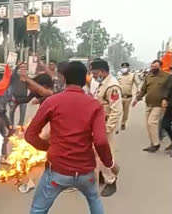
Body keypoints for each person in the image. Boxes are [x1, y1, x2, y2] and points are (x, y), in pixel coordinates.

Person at [25, 61, 119, 214]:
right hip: (85, 172)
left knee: (38, 209)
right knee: (94, 200)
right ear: (85, 79)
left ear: (64, 79)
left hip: (57, 171)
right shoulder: (94, 105)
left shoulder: (52, 102)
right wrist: (110, 164)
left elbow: (30, 135)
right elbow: (101, 141)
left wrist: (49, 147)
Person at [90, 59, 122, 197]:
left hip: (105, 124)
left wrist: (107, 128)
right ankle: (107, 173)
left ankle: (111, 181)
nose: (93, 75)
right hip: (99, 123)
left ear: (102, 71)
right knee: (98, 153)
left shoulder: (112, 86)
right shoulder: (103, 84)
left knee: (103, 154)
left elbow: (116, 110)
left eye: (94, 72)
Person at [133, 60, 171, 153]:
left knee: (152, 122)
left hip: (159, 105)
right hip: (149, 104)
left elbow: (169, 90)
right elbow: (143, 90)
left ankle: (156, 144)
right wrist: (137, 99)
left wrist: (165, 100)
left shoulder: (167, 77)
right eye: (152, 66)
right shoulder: (148, 76)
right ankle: (152, 144)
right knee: (148, 125)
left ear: (160, 67)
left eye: (156, 66)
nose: (153, 68)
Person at [118, 62, 140, 130]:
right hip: (119, 96)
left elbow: (138, 83)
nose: (124, 69)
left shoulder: (133, 75)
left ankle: (123, 123)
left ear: (128, 68)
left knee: (125, 111)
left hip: (128, 97)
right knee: (118, 110)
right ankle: (115, 123)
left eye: (125, 67)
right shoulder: (118, 76)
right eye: (123, 67)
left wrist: (138, 90)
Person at [9, 63, 28, 130]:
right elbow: (13, 72)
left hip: (24, 97)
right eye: (21, 67)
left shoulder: (27, 77)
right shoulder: (15, 76)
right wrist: (17, 65)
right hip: (14, 97)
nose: (23, 69)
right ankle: (11, 125)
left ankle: (20, 125)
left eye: (25, 68)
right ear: (19, 69)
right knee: (11, 111)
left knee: (23, 112)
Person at [161, 75, 172, 152]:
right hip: (171, 105)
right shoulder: (170, 77)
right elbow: (167, 89)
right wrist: (164, 98)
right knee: (165, 124)